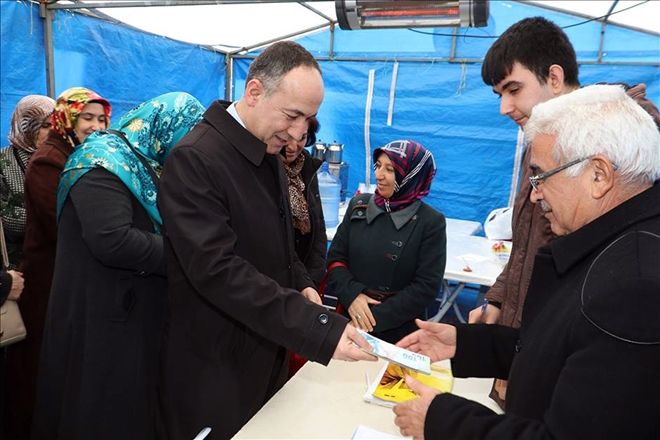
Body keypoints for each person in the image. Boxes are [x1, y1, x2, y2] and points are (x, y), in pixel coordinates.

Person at [393, 84, 660, 439]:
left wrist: (441, 419)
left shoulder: (636, 288)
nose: (535, 194)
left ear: (599, 175)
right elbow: (563, 350)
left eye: (541, 176)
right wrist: (467, 343)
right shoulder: (615, 246)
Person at [157, 41, 374, 440]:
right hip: (216, 366)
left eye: (308, 120)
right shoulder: (196, 159)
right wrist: (316, 325)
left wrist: (303, 285)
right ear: (254, 91)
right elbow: (218, 270)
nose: (298, 134)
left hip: (265, 351)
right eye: (292, 116)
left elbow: (279, 244)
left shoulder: (266, 153)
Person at [467, 16, 660, 406]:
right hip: (527, 347)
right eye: (498, 95)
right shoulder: (543, 145)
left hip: (574, 365)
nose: (505, 108)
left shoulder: (624, 138)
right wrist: (500, 302)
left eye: (513, 89)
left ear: (554, 78)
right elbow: (528, 246)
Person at [29, 92, 203, 440]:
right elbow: (113, 239)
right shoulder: (102, 162)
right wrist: (187, 257)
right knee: (98, 415)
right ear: (163, 127)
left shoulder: (139, 162)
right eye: (184, 136)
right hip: (101, 319)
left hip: (125, 314)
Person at [4, 86, 111, 439]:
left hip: (69, 277)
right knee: (37, 369)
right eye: (87, 118)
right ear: (66, 118)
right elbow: (66, 220)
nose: (96, 126)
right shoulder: (50, 160)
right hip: (47, 281)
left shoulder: (79, 154)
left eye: (101, 119)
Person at [326, 140, 446, 344]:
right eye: (378, 166)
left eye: (390, 169)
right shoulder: (359, 206)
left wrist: (371, 320)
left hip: (398, 331)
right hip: (349, 316)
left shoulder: (430, 222)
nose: (379, 175)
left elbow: (425, 287)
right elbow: (335, 259)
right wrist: (353, 296)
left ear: (412, 176)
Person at [0, 95, 55, 268]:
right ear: (26, 126)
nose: (53, 132)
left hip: (57, 262)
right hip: (18, 266)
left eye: (56, 125)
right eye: (45, 125)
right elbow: (8, 220)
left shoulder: (62, 158)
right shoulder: (4, 161)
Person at [280, 116, 327, 287]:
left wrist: (312, 278)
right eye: (287, 137)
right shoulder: (266, 168)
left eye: (301, 138)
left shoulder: (307, 166)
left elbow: (318, 223)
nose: (293, 147)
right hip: (278, 277)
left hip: (305, 276)